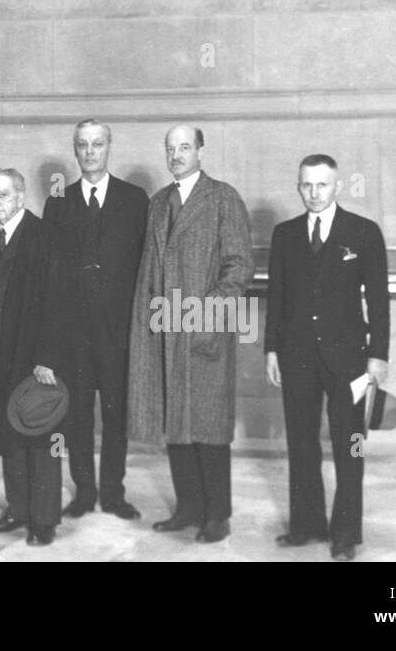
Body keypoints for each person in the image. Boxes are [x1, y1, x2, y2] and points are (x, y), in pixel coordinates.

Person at [127, 125, 253, 545]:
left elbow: (238, 268)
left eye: (185, 147)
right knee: (175, 424)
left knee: (209, 428)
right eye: (170, 148)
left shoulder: (223, 198)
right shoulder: (159, 202)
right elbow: (149, 266)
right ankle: (188, 508)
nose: (177, 154)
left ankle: (218, 515)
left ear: (201, 150)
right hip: (164, 330)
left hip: (205, 333)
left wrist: (205, 319)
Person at [265, 154, 390, 562]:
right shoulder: (284, 235)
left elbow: (378, 300)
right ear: (298, 186)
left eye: (321, 185)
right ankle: (306, 526)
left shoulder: (363, 232)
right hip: (297, 356)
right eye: (306, 185)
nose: (313, 193)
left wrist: (378, 356)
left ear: (337, 186)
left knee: (350, 446)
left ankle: (346, 534)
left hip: (350, 361)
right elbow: (277, 299)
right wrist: (271, 349)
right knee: (301, 445)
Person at [42, 121, 148, 520]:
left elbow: (145, 267)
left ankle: (114, 493)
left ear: (109, 148)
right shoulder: (59, 202)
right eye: (83, 145)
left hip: (119, 334)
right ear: (75, 150)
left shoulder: (135, 199)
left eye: (97, 144)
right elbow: (50, 279)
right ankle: (84, 492)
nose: (90, 152)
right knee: (78, 416)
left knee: (117, 415)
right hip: (74, 336)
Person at [0, 168, 64, 547]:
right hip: (2, 358)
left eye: (4, 195)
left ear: (21, 197)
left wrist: (47, 357)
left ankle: (44, 519)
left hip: (34, 361)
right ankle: (19, 509)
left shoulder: (43, 237)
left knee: (40, 439)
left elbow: (59, 301)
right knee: (11, 434)